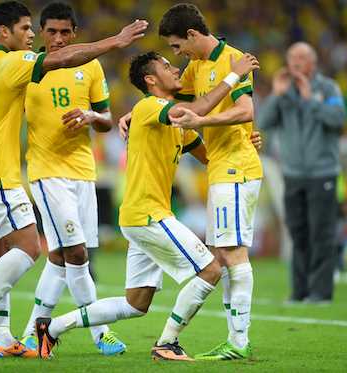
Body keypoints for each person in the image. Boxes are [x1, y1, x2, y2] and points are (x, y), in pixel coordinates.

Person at [0, 0, 148, 358]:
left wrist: (90, 115)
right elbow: (61, 60)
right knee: (31, 248)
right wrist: (116, 41)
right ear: (5, 32)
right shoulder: (12, 64)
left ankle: (7, 336)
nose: (32, 36)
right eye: (28, 29)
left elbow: (99, 111)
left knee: (0, 253)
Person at [34, 51, 260, 361]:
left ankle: (52, 328)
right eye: (167, 65)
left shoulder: (171, 120)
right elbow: (199, 108)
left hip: (141, 215)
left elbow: (210, 157)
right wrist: (234, 75)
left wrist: (246, 143)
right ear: (151, 79)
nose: (176, 67)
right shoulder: (150, 107)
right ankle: (167, 343)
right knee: (210, 269)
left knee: (136, 304)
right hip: (148, 214)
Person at [157, 3, 263, 360]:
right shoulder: (196, 67)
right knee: (225, 254)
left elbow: (245, 111)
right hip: (221, 168)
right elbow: (171, 102)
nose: (177, 55)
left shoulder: (233, 59)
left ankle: (238, 340)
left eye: (176, 47)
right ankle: (235, 339)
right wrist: (130, 114)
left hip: (236, 167)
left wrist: (202, 124)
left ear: (191, 34)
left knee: (233, 254)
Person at [19, 2, 125, 356]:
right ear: (41, 32)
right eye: (52, 32)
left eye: (66, 32)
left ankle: (32, 334)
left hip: (83, 172)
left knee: (63, 258)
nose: (59, 39)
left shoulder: (90, 66)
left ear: (75, 33)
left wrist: (91, 116)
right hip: (46, 172)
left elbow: (108, 119)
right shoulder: (29, 68)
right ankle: (101, 333)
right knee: (77, 253)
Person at [257, 42, 346, 303]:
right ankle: (299, 291)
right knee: (297, 232)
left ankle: (320, 292)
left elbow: (338, 119)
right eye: (292, 57)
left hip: (322, 172)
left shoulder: (327, 87)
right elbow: (263, 123)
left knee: (321, 232)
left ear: (312, 63)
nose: (295, 61)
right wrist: (276, 93)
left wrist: (310, 100)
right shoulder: (284, 92)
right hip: (293, 173)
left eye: (301, 57)